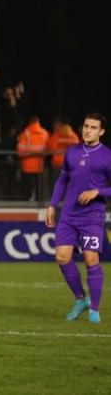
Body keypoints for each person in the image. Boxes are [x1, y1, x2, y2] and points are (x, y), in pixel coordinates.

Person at [46, 113, 110, 324]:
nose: (87, 130)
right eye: (85, 126)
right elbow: (62, 180)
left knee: (91, 258)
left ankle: (94, 309)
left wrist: (97, 192)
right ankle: (80, 299)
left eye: (93, 127)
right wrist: (52, 205)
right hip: (69, 215)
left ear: (101, 132)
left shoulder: (107, 156)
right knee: (62, 257)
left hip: (92, 216)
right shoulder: (72, 152)